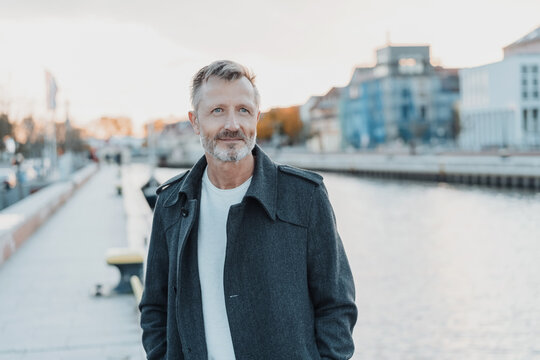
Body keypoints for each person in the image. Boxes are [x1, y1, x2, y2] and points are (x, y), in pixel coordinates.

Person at [139, 60, 357, 360]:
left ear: (257, 116)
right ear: (195, 121)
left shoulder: (305, 197)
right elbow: (155, 307)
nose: (232, 125)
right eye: (218, 110)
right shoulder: (171, 204)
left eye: (243, 110)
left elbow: (336, 306)